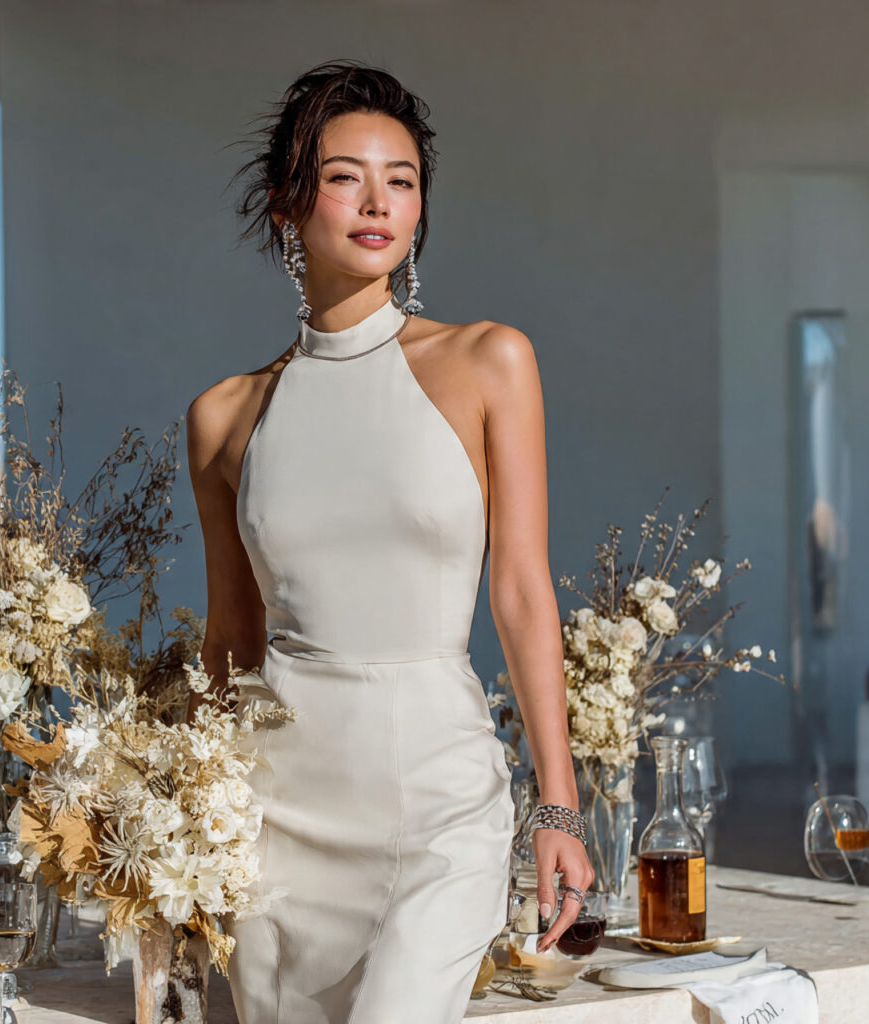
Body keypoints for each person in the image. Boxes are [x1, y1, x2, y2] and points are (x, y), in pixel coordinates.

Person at [186, 59, 593, 1024]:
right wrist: (186, 818)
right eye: (344, 176)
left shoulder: (488, 360)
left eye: (402, 180)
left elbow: (524, 594)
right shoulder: (223, 417)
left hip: (438, 798)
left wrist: (558, 808)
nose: (378, 201)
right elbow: (230, 646)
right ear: (290, 205)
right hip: (277, 820)